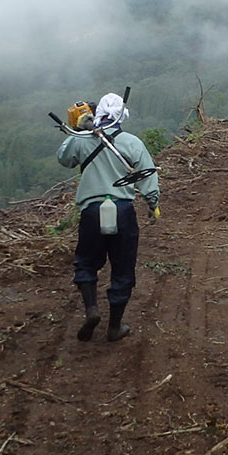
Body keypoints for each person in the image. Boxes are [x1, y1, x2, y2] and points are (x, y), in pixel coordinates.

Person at [56, 92, 160, 343]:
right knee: (123, 268)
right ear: (122, 116)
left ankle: (92, 309)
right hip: (123, 211)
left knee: (86, 262)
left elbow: (64, 158)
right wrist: (152, 203)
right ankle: (114, 326)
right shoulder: (132, 142)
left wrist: (75, 130)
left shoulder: (82, 140)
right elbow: (147, 175)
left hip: (91, 212)